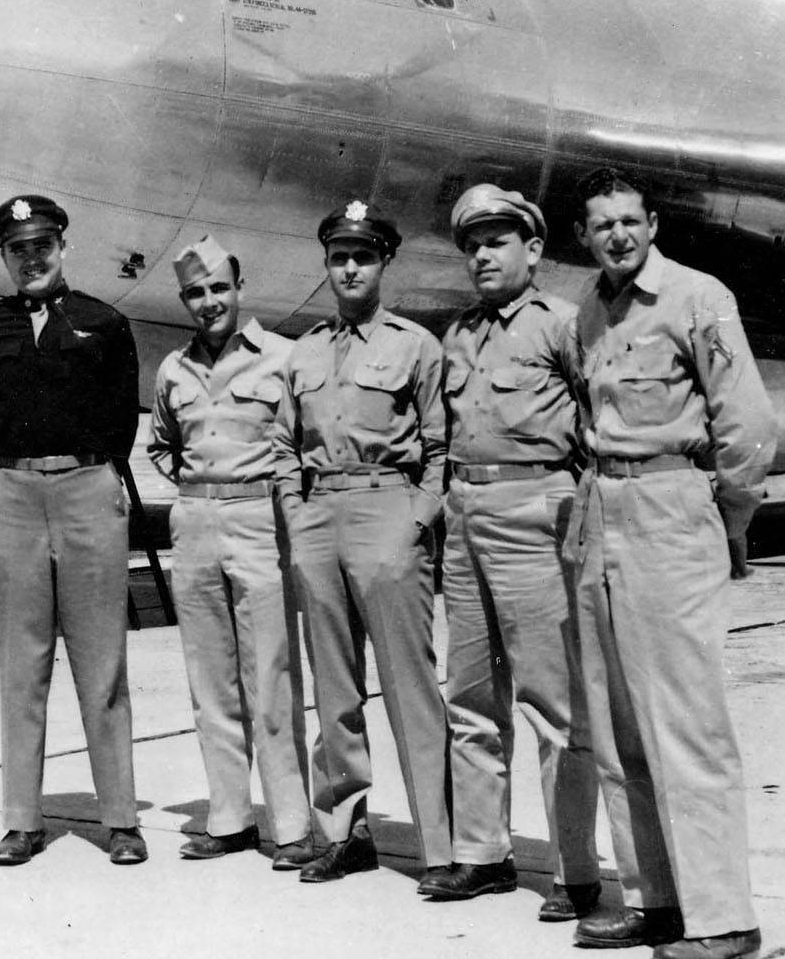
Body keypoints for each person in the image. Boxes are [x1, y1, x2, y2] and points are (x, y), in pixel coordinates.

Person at [567, 169, 774, 959]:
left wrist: (730, 514)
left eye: (629, 220)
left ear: (653, 224)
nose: (617, 235)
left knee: (686, 723)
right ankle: (657, 899)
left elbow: (747, 423)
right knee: (618, 724)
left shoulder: (698, 297)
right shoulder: (589, 305)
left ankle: (725, 919)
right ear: (584, 235)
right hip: (603, 508)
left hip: (670, 506)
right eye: (601, 224)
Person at [428, 184, 599, 916]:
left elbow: (596, 428)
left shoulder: (565, 325)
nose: (481, 255)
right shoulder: (457, 334)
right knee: (468, 693)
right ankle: (482, 852)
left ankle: (575, 870)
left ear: (533, 250)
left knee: (552, 700)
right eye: (472, 244)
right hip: (465, 512)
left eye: (496, 241)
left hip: (538, 511)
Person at [271, 201, 453, 885]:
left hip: (387, 509)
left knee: (411, 686)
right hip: (320, 516)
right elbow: (285, 446)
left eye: (362, 256)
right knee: (334, 688)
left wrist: (417, 519)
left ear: (384, 263)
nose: (349, 268)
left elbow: (439, 445)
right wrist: (295, 517)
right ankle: (345, 832)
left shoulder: (415, 344)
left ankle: (442, 844)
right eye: (339, 257)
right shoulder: (305, 351)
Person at [0, 195, 145, 867]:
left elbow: (121, 417)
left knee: (102, 662)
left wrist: (85, 475)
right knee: (22, 664)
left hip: (87, 487)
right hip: (16, 494)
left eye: (42, 244)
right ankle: (22, 818)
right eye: (18, 249)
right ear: (5, 256)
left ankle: (121, 818)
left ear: (62, 246)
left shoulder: (104, 321)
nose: (32, 257)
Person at [147, 235, 315, 870]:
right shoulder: (172, 369)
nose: (209, 302)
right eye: (196, 292)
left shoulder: (282, 358)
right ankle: (229, 816)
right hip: (194, 520)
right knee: (210, 677)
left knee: (269, 674)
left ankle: (292, 823)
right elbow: (164, 445)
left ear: (239, 289)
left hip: (258, 518)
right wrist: (200, 488)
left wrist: (259, 490)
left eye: (219, 288)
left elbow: (303, 438)